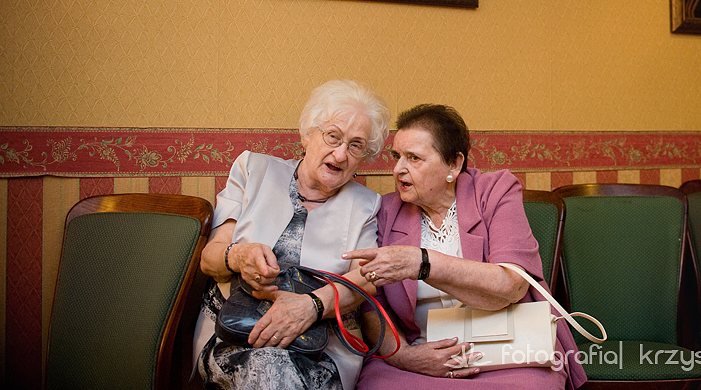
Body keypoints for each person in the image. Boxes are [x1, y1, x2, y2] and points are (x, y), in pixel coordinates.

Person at [343, 104, 588, 390]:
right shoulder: (386, 210)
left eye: (414, 158)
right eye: (397, 156)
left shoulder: (496, 192)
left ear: (454, 165)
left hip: (510, 349)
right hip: (419, 356)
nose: (398, 169)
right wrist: (405, 356)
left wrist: (422, 262)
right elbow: (373, 307)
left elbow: (511, 286)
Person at [192, 79, 390, 390]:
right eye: (333, 137)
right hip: (234, 332)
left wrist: (311, 305)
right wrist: (238, 255)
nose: (340, 155)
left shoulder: (365, 204)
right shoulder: (251, 170)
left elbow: (366, 279)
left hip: (318, 346)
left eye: (355, 145)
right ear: (308, 135)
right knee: (267, 366)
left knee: (277, 370)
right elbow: (210, 259)